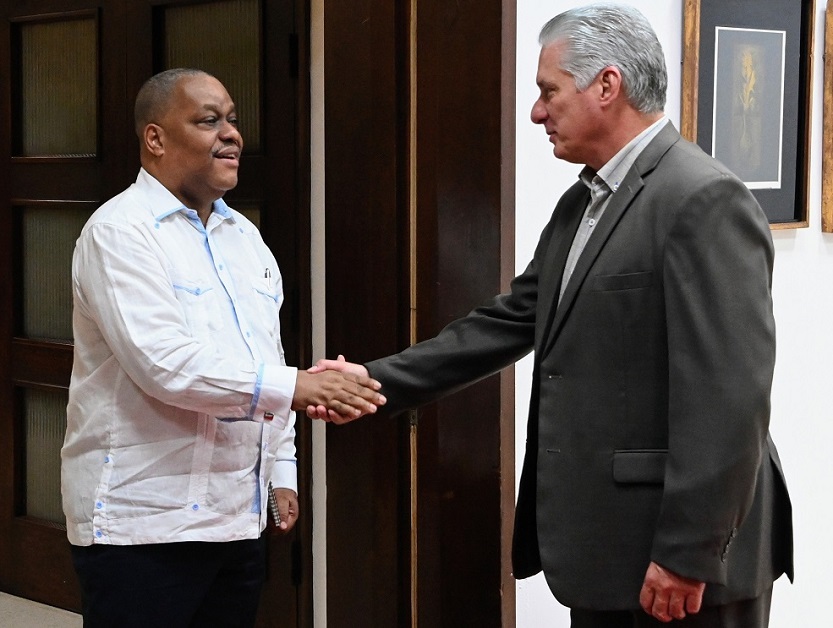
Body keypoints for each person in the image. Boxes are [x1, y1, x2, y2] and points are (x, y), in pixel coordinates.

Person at [308, 4, 793, 626]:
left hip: (680, 562)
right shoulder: (582, 201)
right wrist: (371, 382)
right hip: (609, 554)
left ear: (607, 86)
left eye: (548, 92)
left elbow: (732, 395)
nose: (537, 112)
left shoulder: (703, 199)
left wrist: (688, 553)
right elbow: (507, 322)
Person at [61, 68, 385, 627]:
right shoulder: (120, 232)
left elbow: (264, 358)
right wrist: (302, 387)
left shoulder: (245, 238)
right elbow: (165, 366)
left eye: (232, 119)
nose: (231, 133)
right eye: (208, 120)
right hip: (143, 525)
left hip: (238, 519)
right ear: (155, 138)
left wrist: (281, 470)